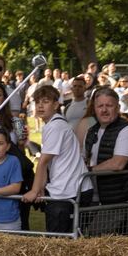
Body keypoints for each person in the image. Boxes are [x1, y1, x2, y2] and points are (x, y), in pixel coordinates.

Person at [22, 85, 86, 234]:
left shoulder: (55, 126)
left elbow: (43, 161)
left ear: (56, 104)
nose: (40, 106)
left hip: (67, 191)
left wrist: (34, 190)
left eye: (45, 101)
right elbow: (49, 163)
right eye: (37, 102)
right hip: (67, 188)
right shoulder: (53, 125)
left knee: (58, 241)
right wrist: (41, 187)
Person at [80, 87, 128, 234]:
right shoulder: (92, 130)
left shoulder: (126, 130)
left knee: (96, 238)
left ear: (118, 107)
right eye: (100, 106)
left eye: (109, 105)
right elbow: (83, 158)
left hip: (119, 200)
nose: (104, 110)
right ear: (94, 108)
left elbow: (118, 163)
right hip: (95, 198)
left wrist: (87, 171)